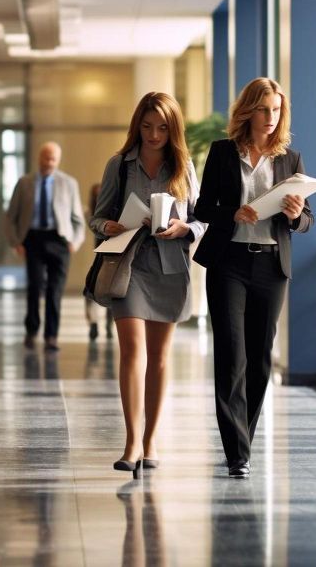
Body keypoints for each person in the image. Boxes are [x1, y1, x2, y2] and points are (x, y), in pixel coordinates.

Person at [193, 77, 314, 479]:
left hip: (270, 267)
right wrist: (233, 212)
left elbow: (307, 220)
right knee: (231, 354)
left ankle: (244, 436)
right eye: (263, 109)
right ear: (248, 111)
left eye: (276, 110)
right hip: (229, 263)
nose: (270, 117)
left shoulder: (289, 160)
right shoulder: (223, 153)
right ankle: (236, 453)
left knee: (260, 359)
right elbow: (203, 207)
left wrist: (297, 215)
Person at [91, 92, 205, 478]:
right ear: (136, 126)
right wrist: (109, 226)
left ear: (172, 129)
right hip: (129, 265)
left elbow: (202, 218)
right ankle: (131, 441)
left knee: (158, 357)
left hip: (170, 267)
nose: (154, 134)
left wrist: (184, 228)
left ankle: (152, 440)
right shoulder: (120, 165)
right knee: (132, 352)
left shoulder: (183, 166)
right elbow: (98, 216)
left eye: (161, 127)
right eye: (146, 126)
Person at [5, 142, 87, 351]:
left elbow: (78, 218)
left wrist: (74, 242)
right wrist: (16, 242)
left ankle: (51, 336)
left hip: (59, 241)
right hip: (33, 240)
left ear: (58, 160)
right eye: (46, 158)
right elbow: (10, 217)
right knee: (34, 287)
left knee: (55, 290)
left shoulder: (68, 183)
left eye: (53, 159)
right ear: (39, 158)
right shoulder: (24, 183)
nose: (49, 162)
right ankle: (31, 331)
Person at [83, 182, 114, 341]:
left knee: (111, 292)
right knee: (90, 292)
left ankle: (109, 325)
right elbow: (92, 224)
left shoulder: (113, 212)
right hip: (99, 256)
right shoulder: (92, 215)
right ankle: (94, 323)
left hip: (112, 256)